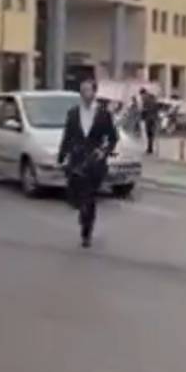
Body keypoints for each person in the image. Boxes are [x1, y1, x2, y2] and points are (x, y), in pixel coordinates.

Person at [58, 78, 119, 248]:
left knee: (90, 197)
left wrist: (103, 151)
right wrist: (62, 156)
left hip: (94, 162)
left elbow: (113, 138)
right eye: (82, 91)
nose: (85, 94)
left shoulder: (103, 115)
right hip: (77, 159)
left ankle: (87, 231)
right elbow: (67, 136)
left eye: (88, 90)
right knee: (77, 196)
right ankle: (82, 211)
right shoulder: (73, 113)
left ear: (94, 92)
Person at [139, 88, 160, 155]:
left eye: (142, 95)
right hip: (153, 118)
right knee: (151, 134)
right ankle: (150, 148)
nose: (141, 96)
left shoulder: (146, 99)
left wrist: (142, 113)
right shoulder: (153, 98)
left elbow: (145, 109)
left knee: (150, 134)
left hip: (149, 119)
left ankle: (150, 149)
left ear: (144, 93)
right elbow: (156, 108)